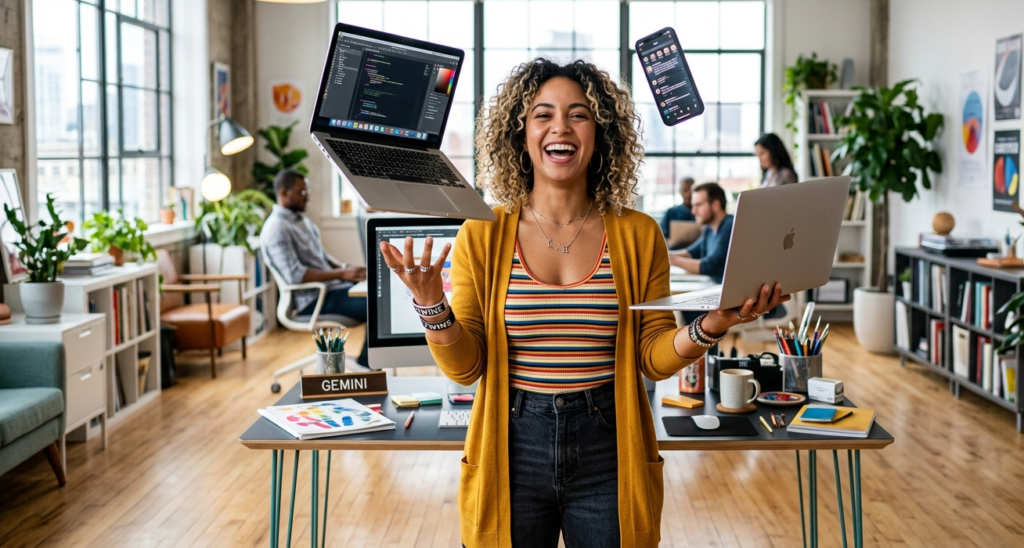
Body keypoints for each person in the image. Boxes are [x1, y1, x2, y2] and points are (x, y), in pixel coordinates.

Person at [379, 59, 788, 548]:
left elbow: (652, 358)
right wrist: (431, 304)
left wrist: (714, 321)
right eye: (542, 114)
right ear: (520, 133)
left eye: (579, 114)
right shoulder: (482, 233)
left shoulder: (638, 234)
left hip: (609, 444)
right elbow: (467, 368)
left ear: (599, 134)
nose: (561, 127)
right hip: (511, 443)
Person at [260, 170, 371, 369]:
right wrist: (341, 274)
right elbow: (295, 276)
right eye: (302, 192)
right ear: (284, 193)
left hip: (332, 290)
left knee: (378, 296)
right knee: (377, 308)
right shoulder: (276, 228)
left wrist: (347, 269)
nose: (308, 196)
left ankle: (370, 363)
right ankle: (367, 367)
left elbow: (323, 257)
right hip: (313, 300)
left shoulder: (302, 221)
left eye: (307, 190)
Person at [668, 182, 733, 284]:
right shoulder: (710, 228)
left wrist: (671, 260)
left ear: (715, 205)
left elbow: (711, 266)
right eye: (693, 205)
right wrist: (664, 255)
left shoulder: (730, 226)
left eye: (698, 205)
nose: (693, 211)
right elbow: (692, 252)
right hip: (714, 287)